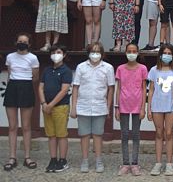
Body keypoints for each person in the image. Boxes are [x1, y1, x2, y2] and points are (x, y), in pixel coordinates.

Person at [70, 42, 115, 173]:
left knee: (98, 134)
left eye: (98, 52)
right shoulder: (81, 67)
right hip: (83, 105)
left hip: (100, 106)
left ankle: (98, 160)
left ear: (102, 53)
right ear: (88, 53)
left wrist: (108, 106)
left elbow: (111, 88)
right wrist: (74, 107)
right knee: (84, 135)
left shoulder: (108, 68)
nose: (95, 54)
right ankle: (84, 160)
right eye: (93, 51)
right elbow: (76, 87)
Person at [3, 33, 40, 171]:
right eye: (20, 41)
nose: (22, 43)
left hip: (26, 86)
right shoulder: (10, 57)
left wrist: (25, 85)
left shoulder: (33, 58)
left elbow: (35, 77)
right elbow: (9, 73)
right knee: (12, 126)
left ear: (29, 44)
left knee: (26, 126)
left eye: (25, 41)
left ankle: (27, 157)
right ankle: (12, 157)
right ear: (16, 42)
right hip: (12, 87)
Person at [114, 43, 148, 176]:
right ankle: (125, 162)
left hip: (137, 105)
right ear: (125, 52)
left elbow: (144, 88)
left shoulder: (143, 68)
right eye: (129, 51)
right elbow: (118, 88)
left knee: (135, 134)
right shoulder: (121, 69)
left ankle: (134, 163)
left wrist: (143, 108)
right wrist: (116, 107)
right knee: (124, 134)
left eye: (134, 51)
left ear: (138, 53)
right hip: (123, 105)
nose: (131, 53)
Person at [147, 44, 173, 176]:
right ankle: (158, 163)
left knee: (169, 133)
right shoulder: (154, 70)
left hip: (171, 106)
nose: (166, 55)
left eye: (169, 53)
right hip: (157, 106)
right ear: (160, 55)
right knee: (159, 133)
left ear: (172, 55)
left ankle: (169, 163)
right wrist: (149, 108)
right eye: (164, 52)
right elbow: (151, 90)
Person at [38, 43, 72, 173]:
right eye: (53, 53)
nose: (55, 55)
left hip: (60, 107)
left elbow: (64, 90)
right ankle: (53, 159)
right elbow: (40, 87)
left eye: (58, 52)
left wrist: (51, 104)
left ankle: (63, 160)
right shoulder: (46, 70)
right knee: (51, 135)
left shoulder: (66, 71)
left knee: (61, 134)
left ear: (64, 55)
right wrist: (43, 103)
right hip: (46, 107)